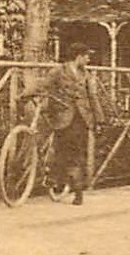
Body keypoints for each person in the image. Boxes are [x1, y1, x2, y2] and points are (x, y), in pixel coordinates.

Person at [37, 44, 108, 205]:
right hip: (62, 117)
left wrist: (99, 120)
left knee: (74, 153)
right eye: (86, 56)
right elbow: (43, 84)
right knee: (63, 151)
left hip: (81, 119)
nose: (88, 59)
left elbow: (93, 97)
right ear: (78, 56)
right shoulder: (59, 71)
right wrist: (26, 93)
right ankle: (62, 182)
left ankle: (76, 190)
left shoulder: (86, 75)